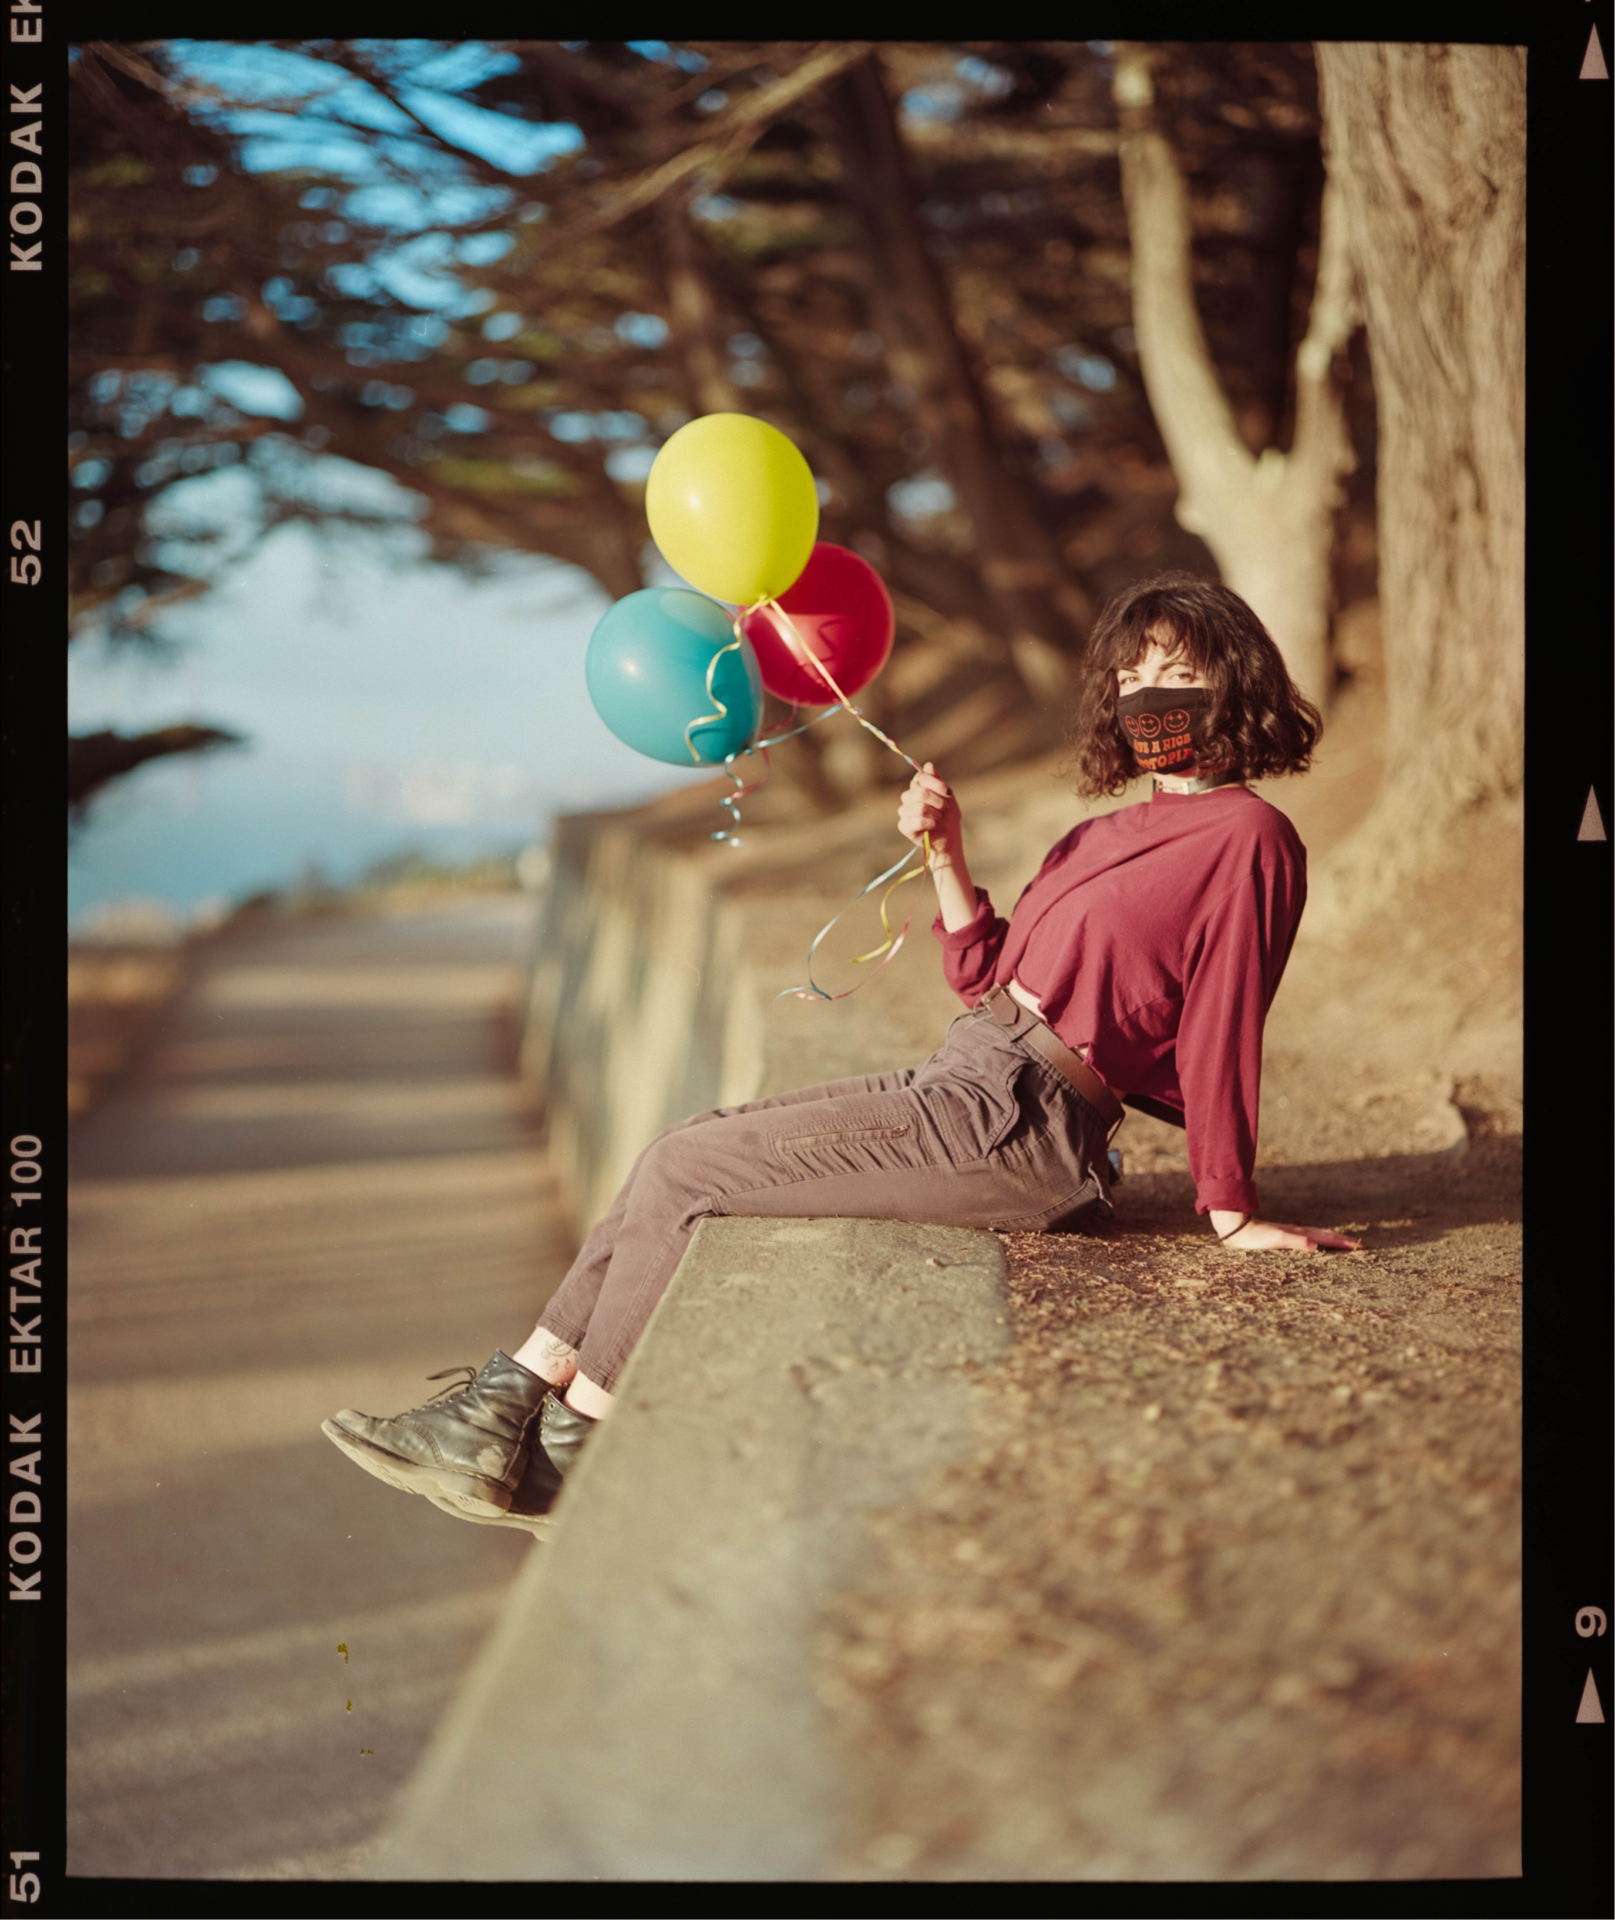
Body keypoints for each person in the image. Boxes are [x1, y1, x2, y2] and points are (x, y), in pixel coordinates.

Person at [323, 570, 1361, 1535]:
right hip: (968, 1074)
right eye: (1130, 677)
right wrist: (944, 855)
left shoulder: (1249, 840)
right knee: (681, 1148)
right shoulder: (1096, 836)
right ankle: (504, 1406)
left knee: (690, 1174)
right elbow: (985, 976)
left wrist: (1229, 1211)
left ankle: (572, 1449)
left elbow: (1227, 1021)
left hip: (1021, 1127)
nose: (1146, 698)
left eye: (1174, 675)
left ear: (1232, 683)